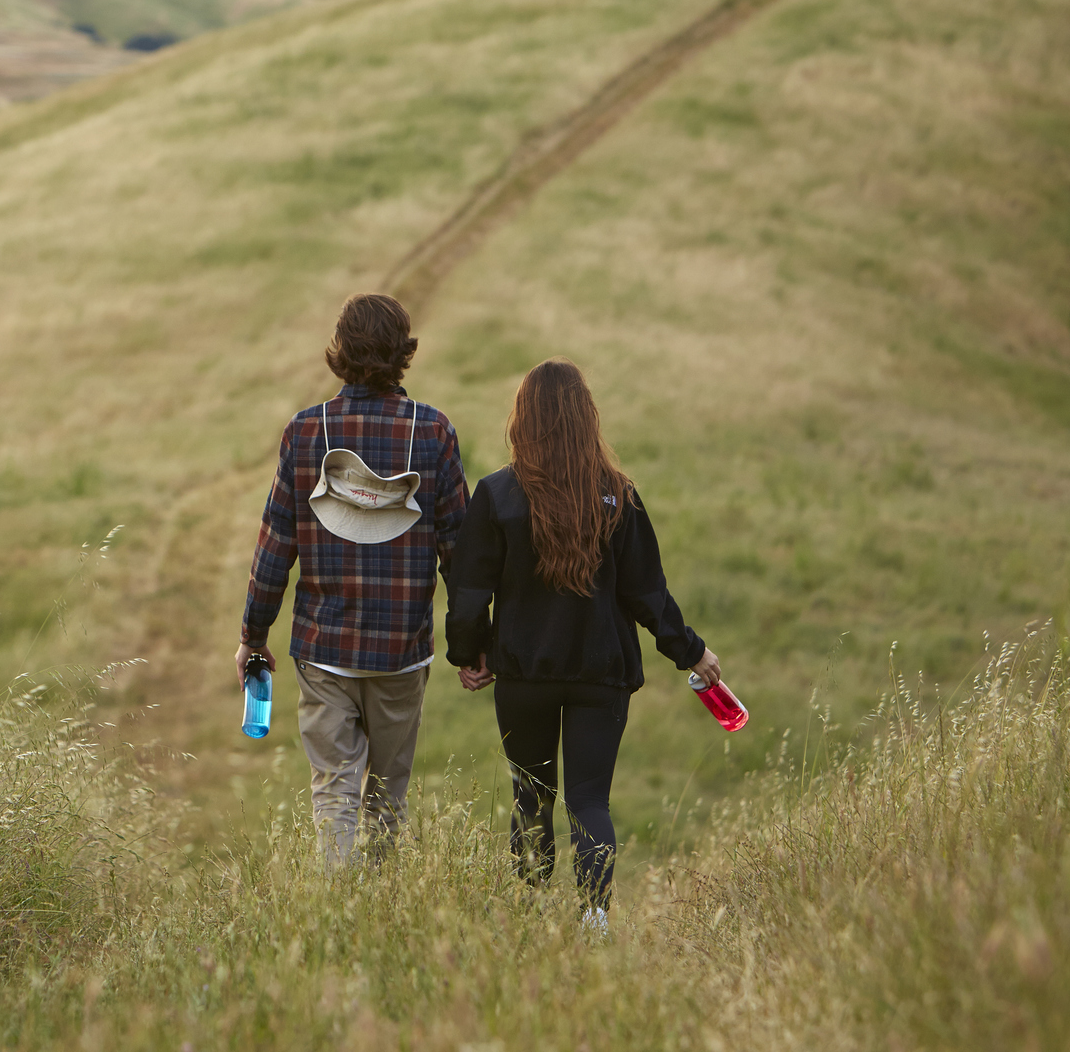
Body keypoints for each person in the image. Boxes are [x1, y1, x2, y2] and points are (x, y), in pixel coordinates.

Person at [445, 359, 720, 928]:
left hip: (524, 675)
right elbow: (649, 595)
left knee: (532, 799)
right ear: (586, 419)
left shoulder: (498, 495)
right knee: (590, 801)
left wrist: (469, 653)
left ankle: (531, 918)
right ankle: (593, 919)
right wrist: (691, 652)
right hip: (602, 674)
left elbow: (469, 592)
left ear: (523, 420)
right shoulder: (619, 495)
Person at [238, 293, 468, 865]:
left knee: (334, 794)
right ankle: (378, 913)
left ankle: (338, 914)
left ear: (340, 350)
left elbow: (275, 546)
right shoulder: (432, 432)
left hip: (324, 650)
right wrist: (473, 643)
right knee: (388, 798)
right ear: (403, 354)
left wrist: (253, 635)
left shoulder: (305, 431)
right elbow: (459, 554)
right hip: (401, 653)